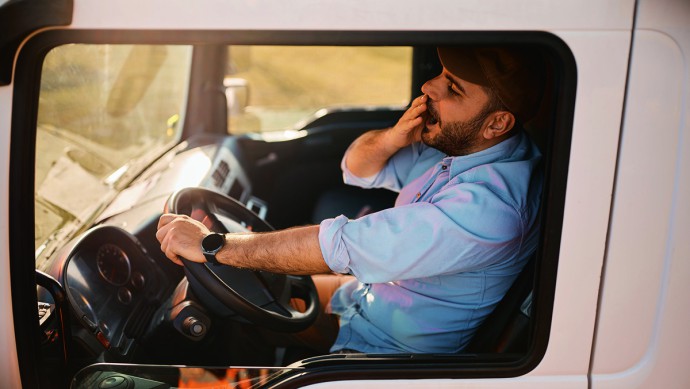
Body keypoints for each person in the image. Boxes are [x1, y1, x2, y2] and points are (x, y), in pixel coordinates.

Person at [156, 46, 546, 354]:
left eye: (453, 88)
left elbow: (340, 246)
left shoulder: (490, 208)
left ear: (498, 122)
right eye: (443, 76)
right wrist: (394, 137)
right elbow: (356, 167)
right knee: (253, 286)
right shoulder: (465, 144)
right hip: (365, 298)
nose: (430, 88)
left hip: (387, 349)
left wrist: (213, 245)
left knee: (229, 328)